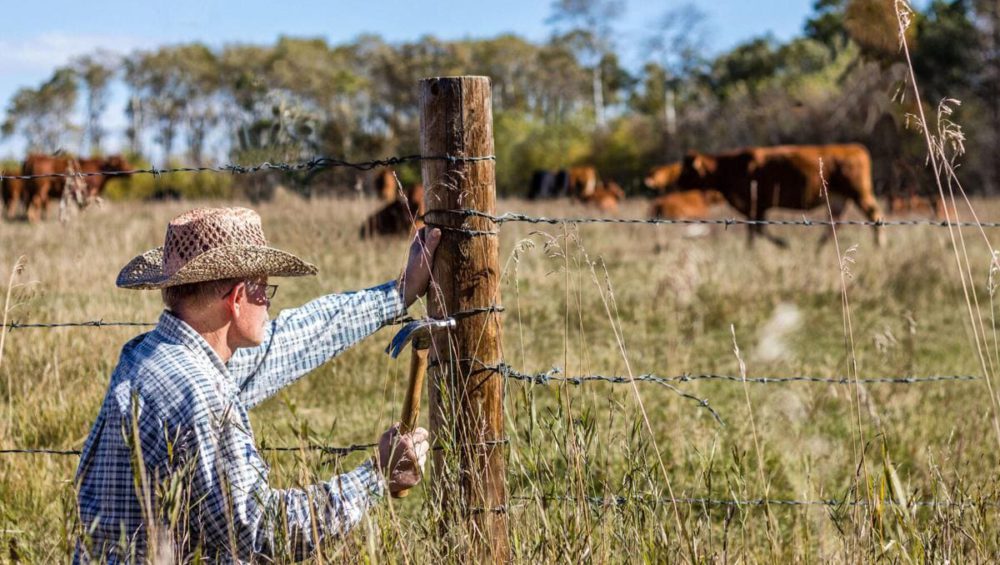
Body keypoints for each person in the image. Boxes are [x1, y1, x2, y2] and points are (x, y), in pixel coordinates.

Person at [73, 207, 441, 563]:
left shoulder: (149, 355)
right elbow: (263, 532)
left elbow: (292, 340)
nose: (267, 304)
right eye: (264, 290)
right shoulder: (200, 393)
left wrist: (398, 293)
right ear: (236, 300)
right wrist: (375, 475)